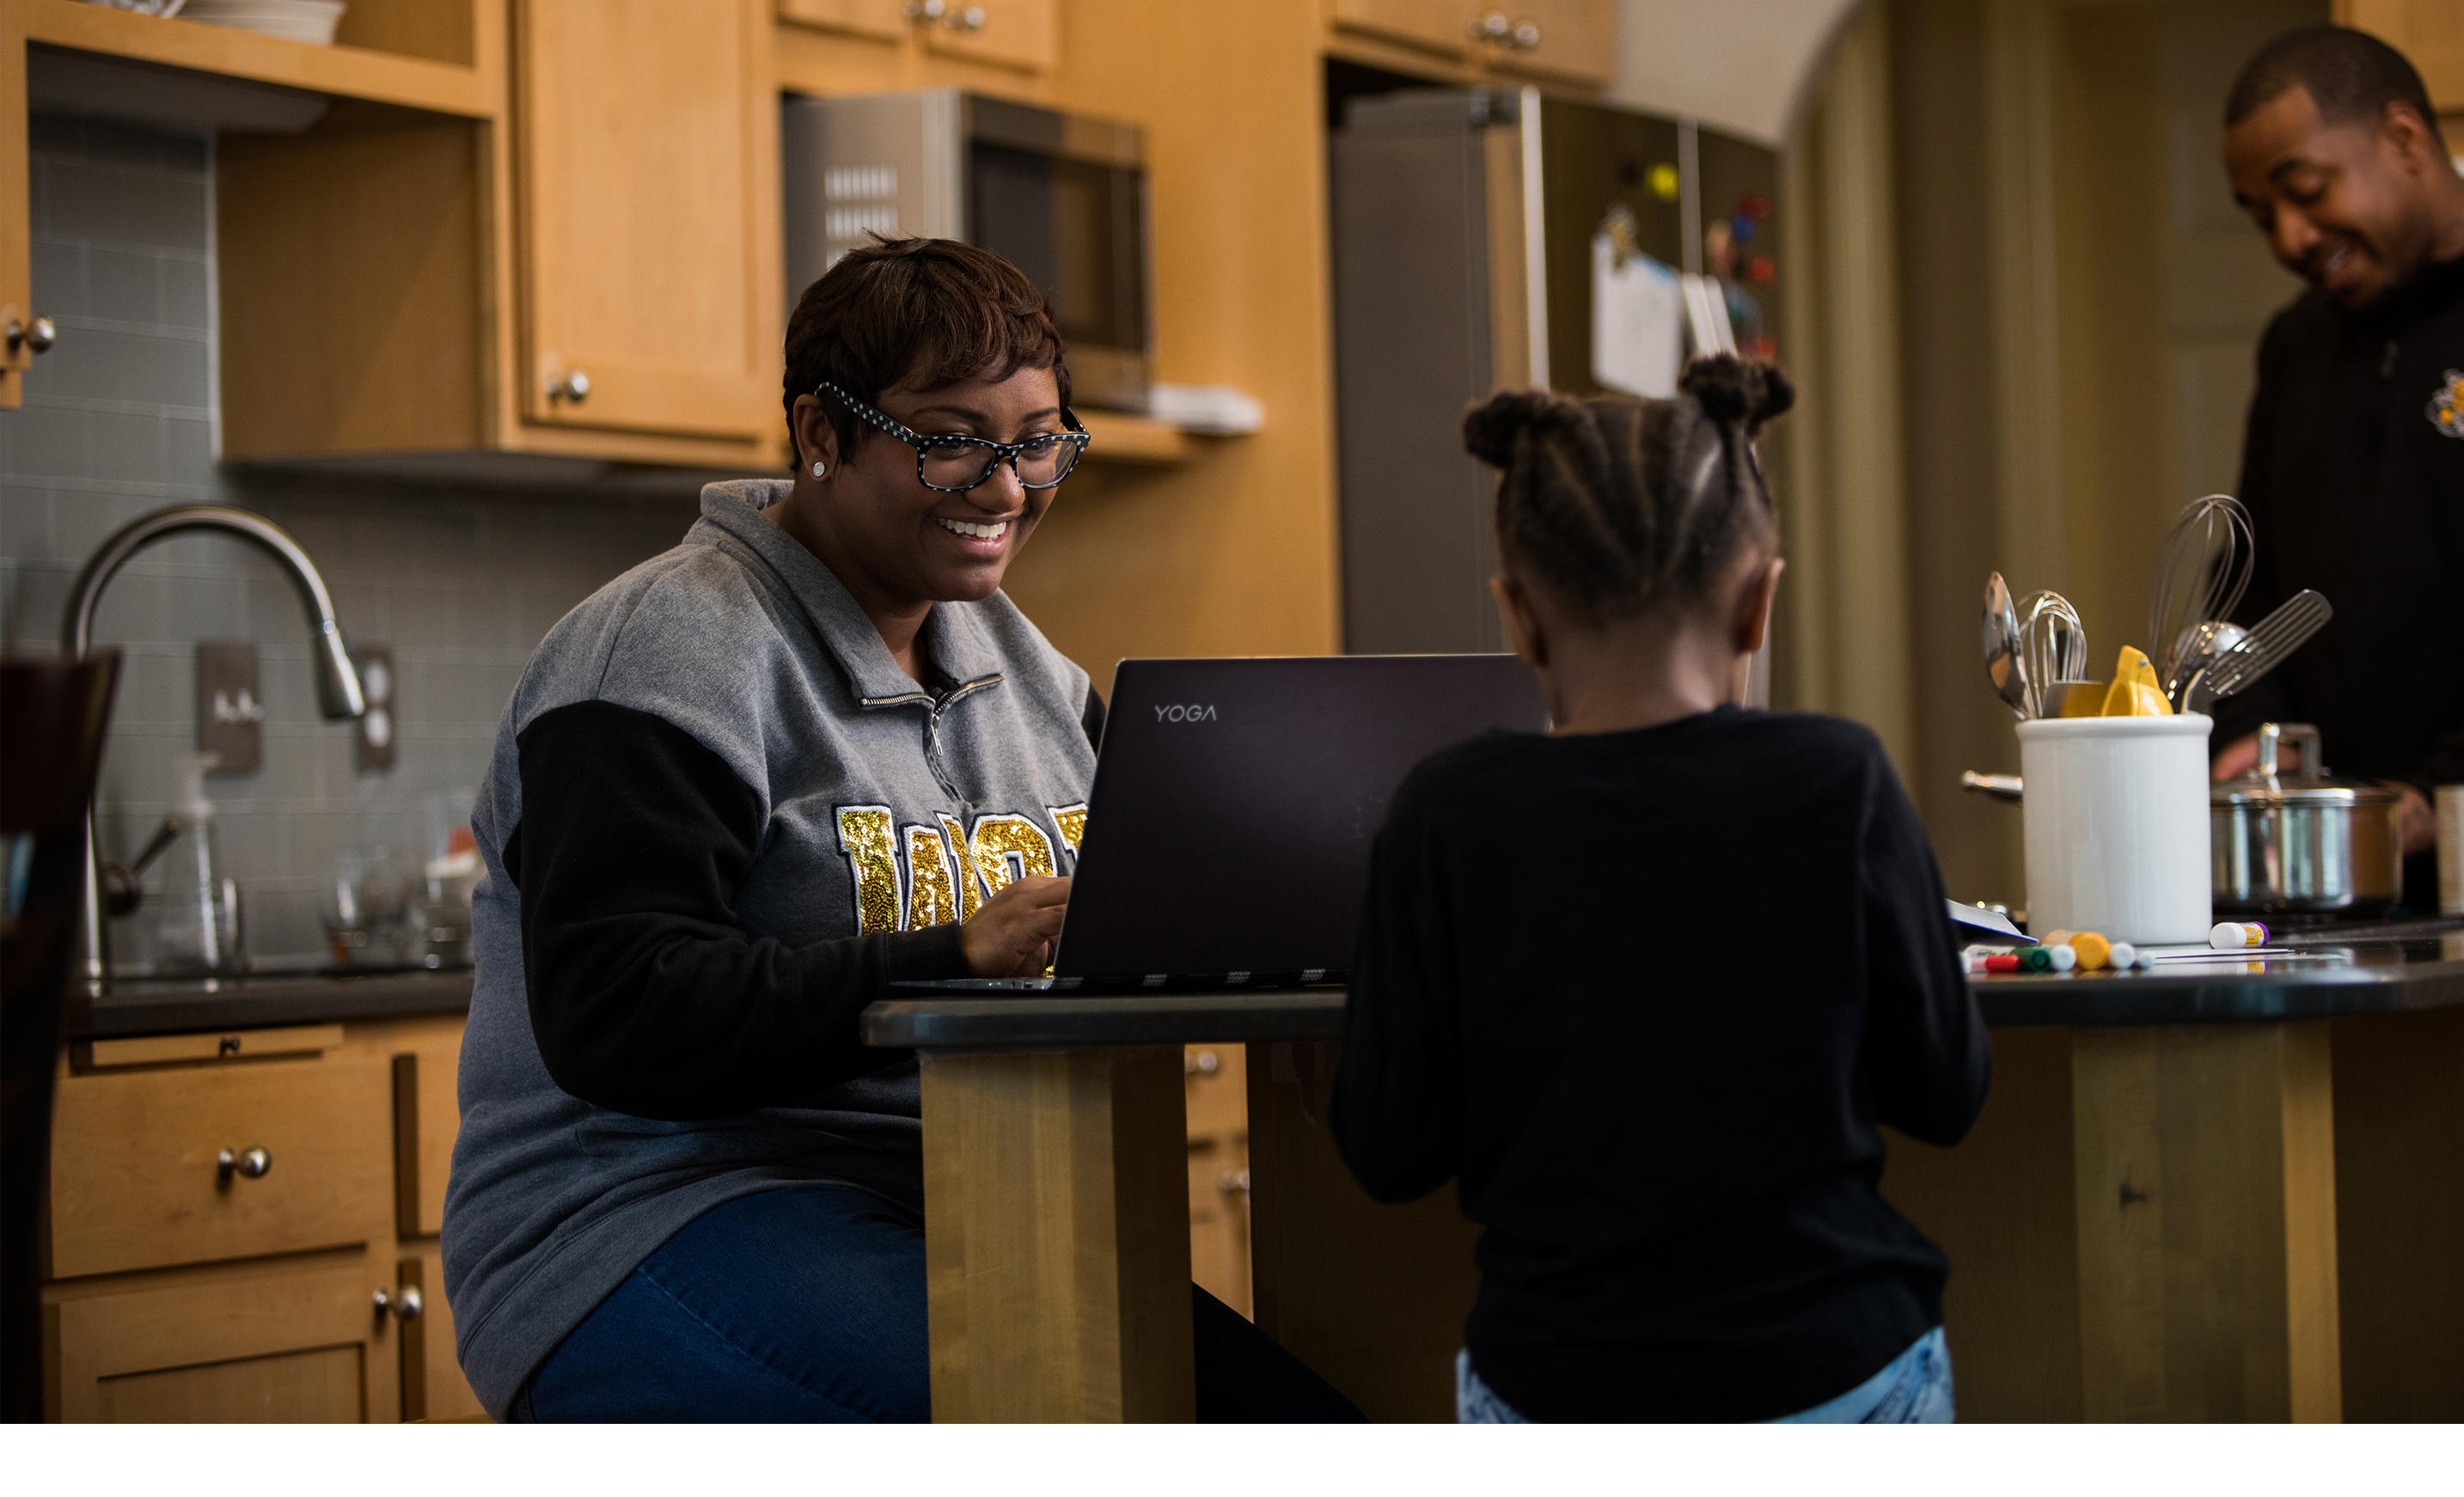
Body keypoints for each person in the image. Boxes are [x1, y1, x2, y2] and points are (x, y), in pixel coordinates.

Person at [441, 238, 1355, 1421]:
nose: (1007, 485)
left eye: (1038, 440)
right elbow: (619, 1010)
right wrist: (952, 955)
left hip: (968, 1202)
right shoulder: (667, 652)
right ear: (823, 431)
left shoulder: (1035, 678)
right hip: (652, 1214)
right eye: (951, 439)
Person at [1329, 355, 1991, 1423]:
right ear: (1758, 603)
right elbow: (1947, 1095)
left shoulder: (1445, 812)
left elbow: (1390, 1152)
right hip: (1837, 1364)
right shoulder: (1839, 776)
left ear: (1519, 614)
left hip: (1561, 1377)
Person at [2216, 26, 2464, 903]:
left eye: (2304, 193)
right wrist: (2244, 735)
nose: (2291, 239)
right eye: (2263, 217)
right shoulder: (2295, 345)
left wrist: (2431, 793)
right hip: (2318, 880)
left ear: (2405, 139)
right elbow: (2249, 594)